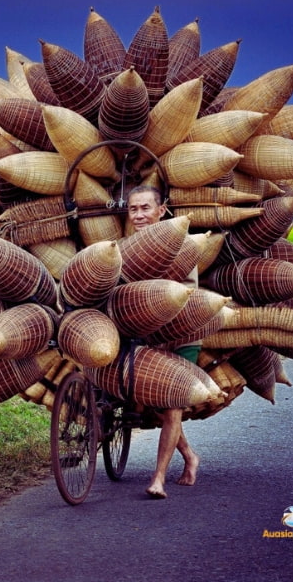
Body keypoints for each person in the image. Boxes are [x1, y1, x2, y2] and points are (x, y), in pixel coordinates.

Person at [125, 185, 200, 499]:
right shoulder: (125, 247)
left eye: (145, 208)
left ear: (162, 210)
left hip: (182, 334)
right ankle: (190, 455)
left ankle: (158, 479)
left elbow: (187, 293)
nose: (139, 215)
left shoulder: (182, 244)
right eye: (133, 209)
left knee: (171, 406)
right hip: (148, 336)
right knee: (151, 404)